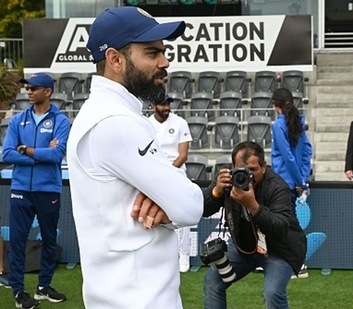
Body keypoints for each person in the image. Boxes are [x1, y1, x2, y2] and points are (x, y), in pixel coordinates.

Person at [66, 7, 203, 309]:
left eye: (163, 52)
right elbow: (191, 205)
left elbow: (178, 198)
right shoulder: (114, 121)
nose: (165, 62)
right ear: (115, 59)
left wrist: (166, 198)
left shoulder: (110, 114)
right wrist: (171, 199)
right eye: (152, 53)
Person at [202, 141, 306, 309]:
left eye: (252, 170)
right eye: (240, 169)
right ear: (232, 166)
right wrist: (216, 192)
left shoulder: (277, 187)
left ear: (264, 167)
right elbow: (203, 210)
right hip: (245, 246)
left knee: (272, 293)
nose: (246, 175)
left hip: (279, 249)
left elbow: (280, 227)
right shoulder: (229, 180)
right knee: (212, 282)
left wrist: (253, 206)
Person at [2, 73, 70, 308]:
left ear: (47, 91)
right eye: (27, 88)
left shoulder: (60, 121)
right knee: (18, 241)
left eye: (34, 88)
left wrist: (26, 150)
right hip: (21, 188)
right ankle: (20, 293)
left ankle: (43, 287)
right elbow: (6, 153)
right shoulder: (17, 120)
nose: (29, 92)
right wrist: (37, 155)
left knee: (49, 240)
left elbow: (57, 155)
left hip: (48, 189)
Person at [148, 94, 193, 273]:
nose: (166, 107)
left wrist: (169, 173)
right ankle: (158, 254)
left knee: (182, 214)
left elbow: (183, 155)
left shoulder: (180, 122)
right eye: (162, 104)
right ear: (153, 106)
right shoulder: (146, 124)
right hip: (153, 174)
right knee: (155, 214)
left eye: (168, 104)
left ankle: (184, 255)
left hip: (177, 174)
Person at [271, 88, 313, 202]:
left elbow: (288, 157)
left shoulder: (278, 126)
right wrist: (302, 180)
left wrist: (300, 181)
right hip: (296, 184)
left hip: (282, 184)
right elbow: (307, 152)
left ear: (275, 104)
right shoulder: (299, 122)